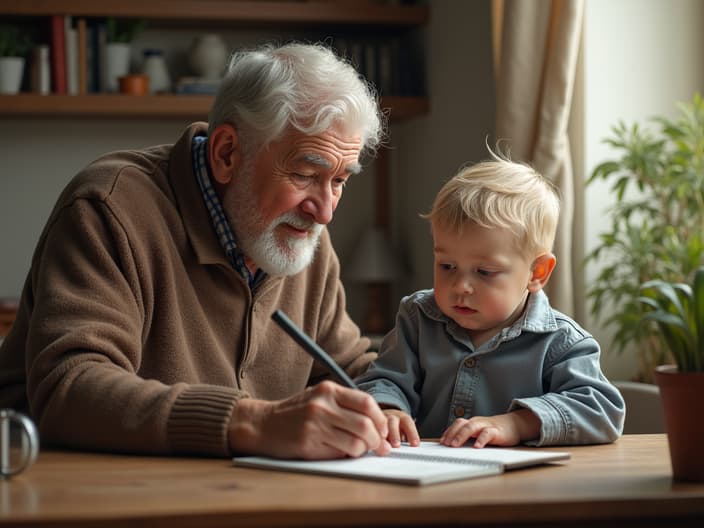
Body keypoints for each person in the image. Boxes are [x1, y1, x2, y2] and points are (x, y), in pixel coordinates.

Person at [0, 42, 392, 460]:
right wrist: (252, 422)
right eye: (304, 174)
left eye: (339, 181)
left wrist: (391, 404)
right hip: (78, 492)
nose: (325, 212)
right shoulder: (110, 209)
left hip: (245, 496)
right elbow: (68, 387)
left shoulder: (300, 233)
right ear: (226, 153)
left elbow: (351, 369)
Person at [355, 150, 625, 449]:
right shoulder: (418, 317)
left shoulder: (561, 341)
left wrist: (518, 423)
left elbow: (602, 410)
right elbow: (384, 378)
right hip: (422, 477)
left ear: (537, 272)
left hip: (515, 487)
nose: (461, 285)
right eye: (447, 266)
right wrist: (387, 409)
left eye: (484, 272)